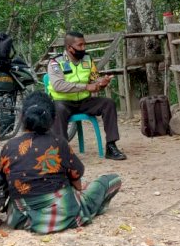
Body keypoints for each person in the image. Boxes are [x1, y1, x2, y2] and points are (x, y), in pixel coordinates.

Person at [0, 92, 122, 234]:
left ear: (22, 117)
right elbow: (77, 181)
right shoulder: (58, 143)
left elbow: (4, 181)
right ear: (53, 119)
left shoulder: (9, 146)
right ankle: (87, 208)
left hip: (20, 218)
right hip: (63, 214)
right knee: (112, 180)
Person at [47, 31, 126, 160]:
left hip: (84, 101)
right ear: (69, 48)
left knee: (108, 103)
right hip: (63, 102)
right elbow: (58, 85)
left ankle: (111, 146)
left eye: (85, 45)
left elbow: (94, 79)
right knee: (58, 109)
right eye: (80, 45)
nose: (84, 48)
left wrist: (102, 82)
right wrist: (85, 86)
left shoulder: (87, 59)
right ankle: (61, 151)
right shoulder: (56, 62)